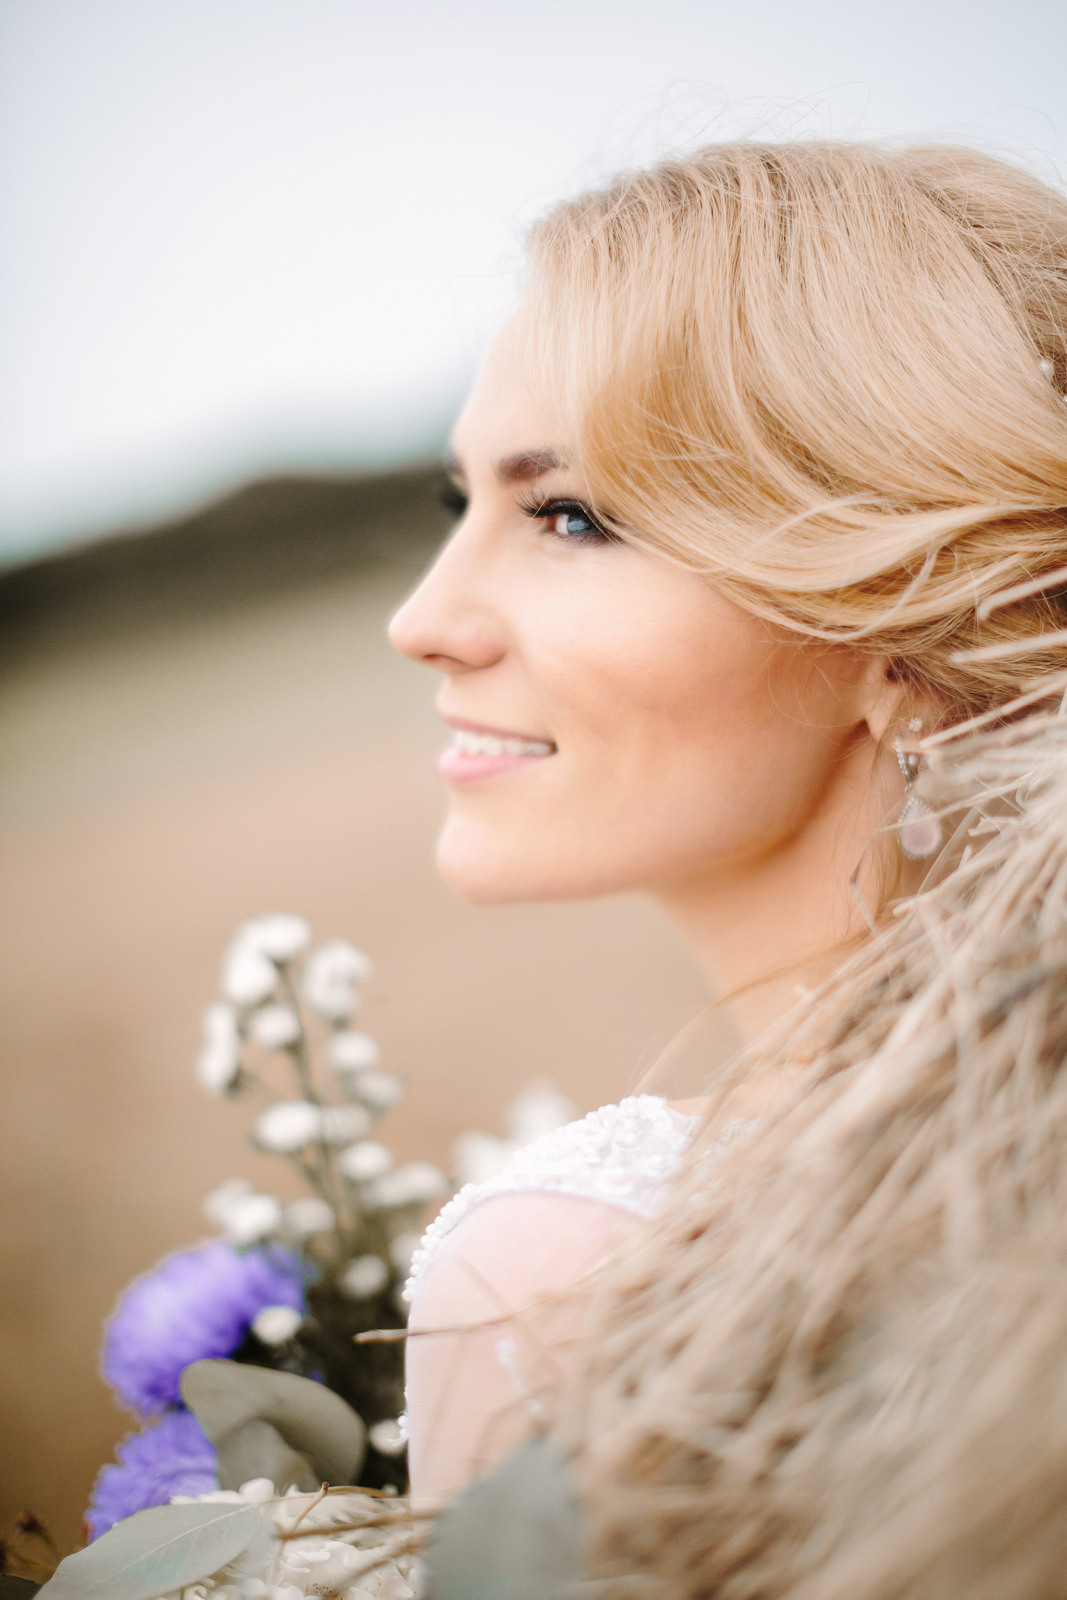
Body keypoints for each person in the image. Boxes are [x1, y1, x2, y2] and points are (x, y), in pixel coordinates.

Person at [387, 139, 1067, 1576]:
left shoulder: (564, 1284)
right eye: (464, 508)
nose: (424, 619)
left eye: (571, 515)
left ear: (898, 633)